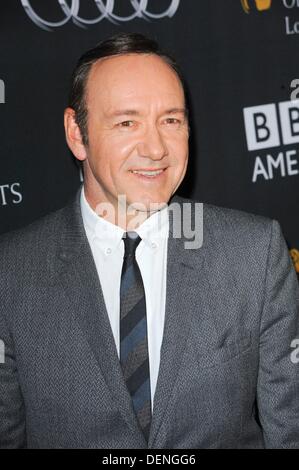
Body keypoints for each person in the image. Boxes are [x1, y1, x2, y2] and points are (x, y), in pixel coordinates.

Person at [0, 32, 298, 449]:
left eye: (171, 120)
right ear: (76, 133)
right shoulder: (10, 274)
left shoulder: (255, 254)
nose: (156, 148)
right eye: (127, 123)